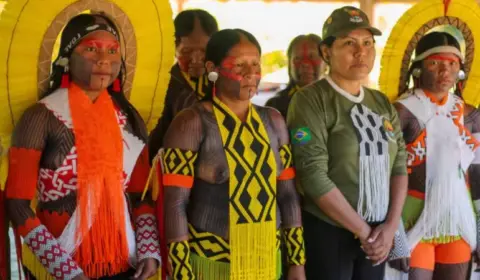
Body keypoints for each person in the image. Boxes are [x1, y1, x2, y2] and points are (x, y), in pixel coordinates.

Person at [4, 14, 161, 279]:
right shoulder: (41, 117)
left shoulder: (128, 117)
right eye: (90, 48)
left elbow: (139, 196)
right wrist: (65, 270)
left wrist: (148, 249)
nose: (104, 60)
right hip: (58, 264)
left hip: (124, 261)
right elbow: (17, 204)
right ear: (67, 57)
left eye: (113, 51)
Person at [159, 28, 306, 280]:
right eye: (239, 65)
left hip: (267, 262)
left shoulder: (274, 121)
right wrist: (181, 271)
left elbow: (288, 195)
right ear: (211, 68)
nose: (251, 74)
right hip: (210, 265)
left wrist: (297, 262)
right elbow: (175, 203)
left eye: (255, 65)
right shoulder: (191, 123)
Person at [287, 6, 409, 280]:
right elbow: (313, 175)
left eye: (368, 43)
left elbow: (399, 164)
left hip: (378, 234)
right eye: (349, 44)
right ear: (326, 52)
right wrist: (365, 232)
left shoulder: (380, 102)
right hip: (331, 232)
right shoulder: (311, 100)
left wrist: (389, 228)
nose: (361, 52)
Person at [389, 31, 480, 280]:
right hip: (411, 218)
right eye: (435, 63)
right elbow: (387, 173)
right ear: (418, 68)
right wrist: (394, 234)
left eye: (452, 64)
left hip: (458, 220)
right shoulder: (401, 111)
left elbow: (477, 173)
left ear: (460, 70)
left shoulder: (471, 115)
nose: (444, 71)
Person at [148, 9, 219, 162]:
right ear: (174, 49)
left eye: (204, 50)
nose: (196, 58)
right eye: (186, 51)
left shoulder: (223, 83)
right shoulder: (161, 86)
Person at [266, 34, 326, 118]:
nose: (305, 63)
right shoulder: (275, 106)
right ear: (290, 65)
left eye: (312, 56)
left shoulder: (338, 101)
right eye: (297, 58)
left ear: (326, 62)